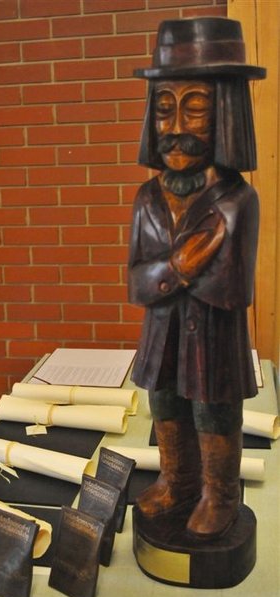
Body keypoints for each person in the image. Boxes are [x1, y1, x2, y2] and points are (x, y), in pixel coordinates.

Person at [128, 17, 266, 539]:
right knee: (163, 401)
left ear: (225, 110)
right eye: (165, 107)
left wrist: (167, 273)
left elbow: (231, 290)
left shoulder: (238, 200)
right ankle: (177, 480)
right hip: (162, 333)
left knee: (213, 409)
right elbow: (137, 284)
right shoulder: (147, 198)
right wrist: (181, 266)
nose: (176, 125)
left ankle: (219, 494)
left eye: (195, 106)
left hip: (213, 335)